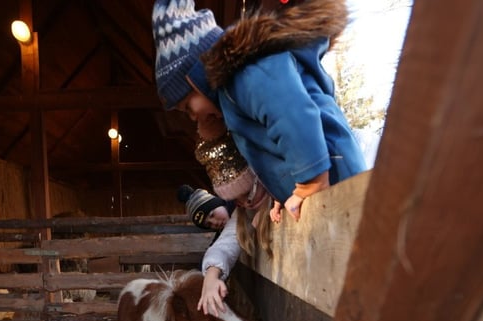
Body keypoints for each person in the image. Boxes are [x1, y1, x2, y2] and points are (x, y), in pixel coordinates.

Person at [151, 0, 366, 222]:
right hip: (325, 179)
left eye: (188, 107)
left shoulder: (246, 70)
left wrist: (310, 181)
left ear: (196, 77)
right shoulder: (232, 93)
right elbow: (272, 149)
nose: (193, 117)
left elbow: (290, 113)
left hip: (333, 173)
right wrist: (283, 193)